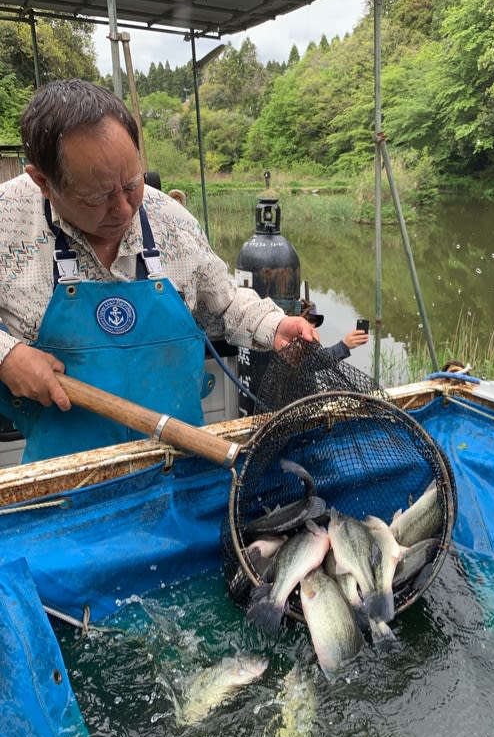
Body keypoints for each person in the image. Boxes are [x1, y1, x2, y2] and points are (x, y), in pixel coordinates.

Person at [0, 79, 317, 462]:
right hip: (67, 483)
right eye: (97, 198)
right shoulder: (9, 221)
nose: (122, 209)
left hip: (180, 466)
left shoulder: (170, 220)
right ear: (43, 183)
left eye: (131, 185)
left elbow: (226, 301)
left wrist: (275, 325)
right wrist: (6, 354)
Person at [302, 302, 369, 361]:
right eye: (309, 319)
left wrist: (345, 345)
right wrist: (344, 345)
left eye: (314, 320)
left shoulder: (309, 342)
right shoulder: (294, 343)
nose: (312, 325)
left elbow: (315, 360)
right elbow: (313, 362)